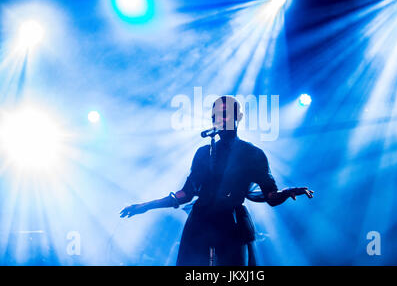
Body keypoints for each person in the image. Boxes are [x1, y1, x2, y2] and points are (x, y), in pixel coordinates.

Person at [120, 96, 314, 265]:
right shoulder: (204, 153)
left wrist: (287, 193)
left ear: (238, 117)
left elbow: (270, 196)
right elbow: (186, 193)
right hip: (200, 221)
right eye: (215, 114)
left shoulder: (252, 154)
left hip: (232, 221)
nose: (219, 118)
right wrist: (146, 205)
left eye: (225, 113)